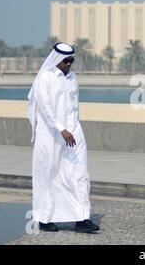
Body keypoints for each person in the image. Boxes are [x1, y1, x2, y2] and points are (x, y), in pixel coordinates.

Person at [27, 42, 100, 233]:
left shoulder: (73, 78)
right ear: (57, 59)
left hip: (74, 132)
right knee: (49, 174)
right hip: (51, 135)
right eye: (66, 60)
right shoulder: (45, 78)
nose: (69, 64)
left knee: (80, 173)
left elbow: (74, 107)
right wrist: (61, 129)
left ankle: (82, 217)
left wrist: (73, 129)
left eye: (71, 60)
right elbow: (45, 108)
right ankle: (44, 218)